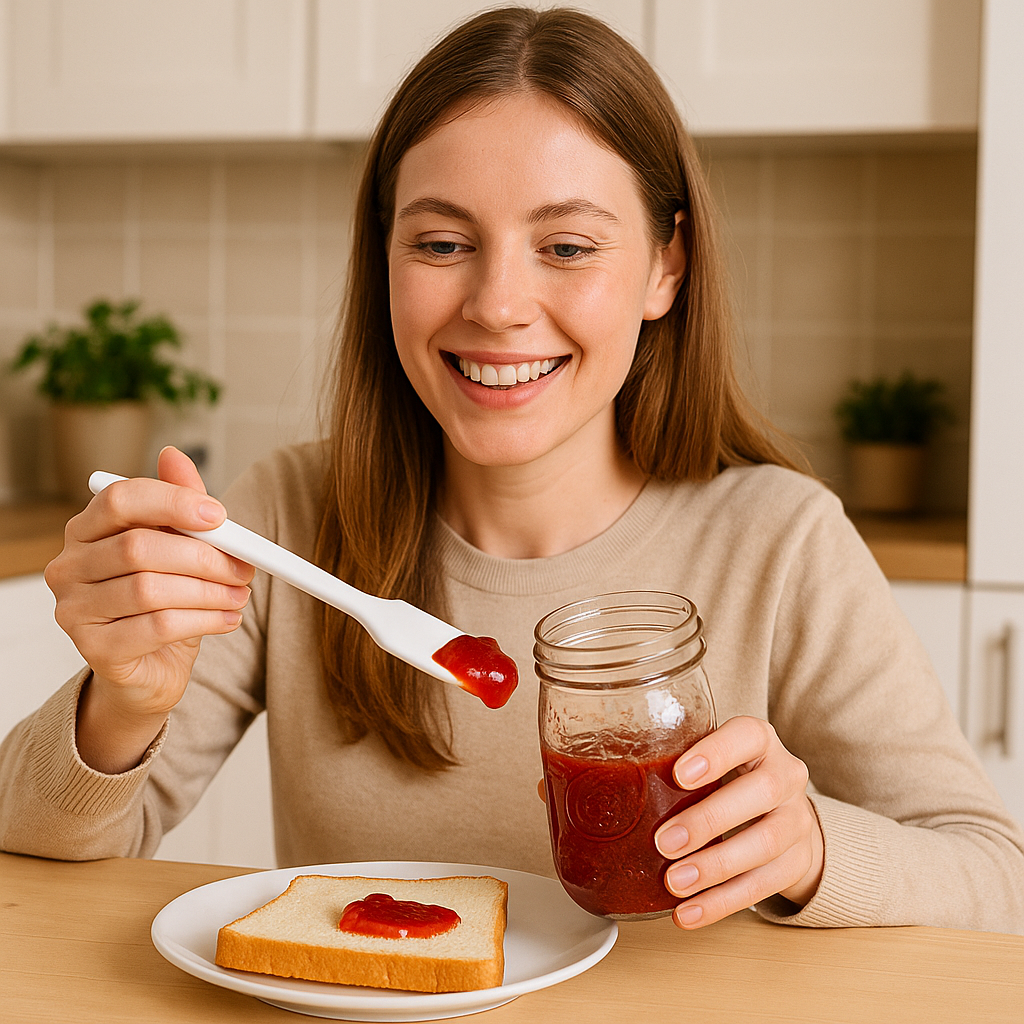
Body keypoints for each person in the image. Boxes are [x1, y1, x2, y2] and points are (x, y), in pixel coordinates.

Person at [1, 6, 1022, 935]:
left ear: (667, 266)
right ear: (382, 259)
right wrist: (120, 704)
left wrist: (809, 849)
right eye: (442, 242)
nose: (496, 303)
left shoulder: (779, 540)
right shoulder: (287, 519)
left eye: (567, 245)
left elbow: (996, 877)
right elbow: (44, 855)